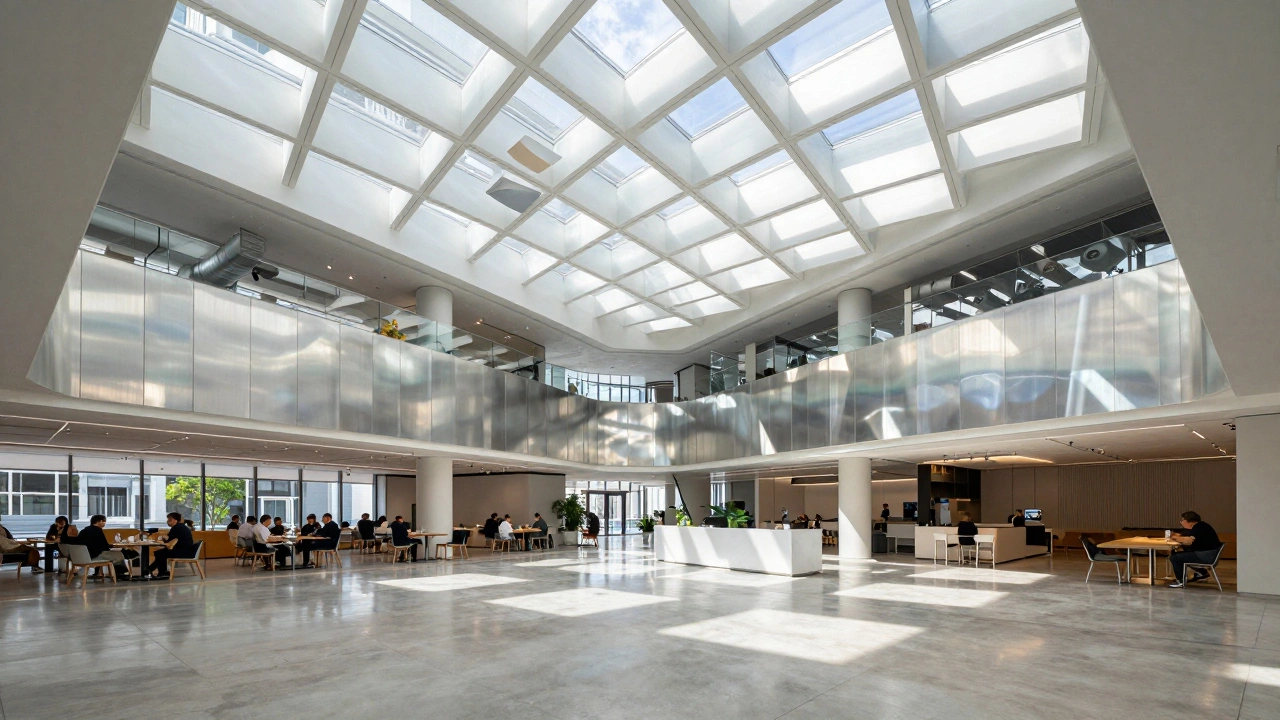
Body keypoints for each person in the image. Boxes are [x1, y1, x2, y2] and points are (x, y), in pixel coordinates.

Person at [1169, 511, 1222, 588]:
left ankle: (1180, 581)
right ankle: (1202, 573)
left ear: (1189, 521)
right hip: (1208, 554)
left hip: (1205, 556)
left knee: (1175, 557)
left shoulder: (1198, 528)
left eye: (1182, 520)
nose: (1181, 522)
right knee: (1178, 553)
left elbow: (1189, 541)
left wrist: (1176, 538)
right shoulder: (1202, 526)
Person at [148, 512, 195, 579]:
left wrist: (164, 539)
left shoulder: (177, 528)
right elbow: (170, 541)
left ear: (176, 520)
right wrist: (165, 539)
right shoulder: (180, 527)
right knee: (160, 553)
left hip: (182, 552)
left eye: (170, 519)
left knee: (161, 553)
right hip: (185, 550)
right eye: (168, 519)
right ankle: (157, 571)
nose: (168, 521)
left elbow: (169, 542)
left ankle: (155, 571)